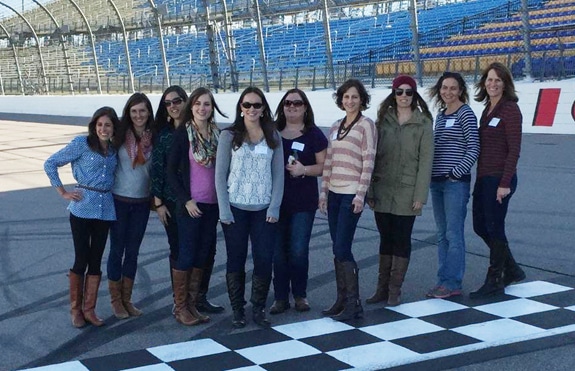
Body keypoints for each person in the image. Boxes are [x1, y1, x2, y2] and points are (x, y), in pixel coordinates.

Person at [44, 107, 120, 327]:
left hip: (105, 208)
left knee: (96, 260)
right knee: (81, 258)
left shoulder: (114, 150)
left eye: (107, 125)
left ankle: (90, 309)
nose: (103, 129)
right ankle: (76, 310)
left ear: (114, 127)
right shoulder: (81, 144)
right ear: (93, 126)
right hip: (82, 207)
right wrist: (63, 192)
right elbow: (50, 163)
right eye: (99, 125)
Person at [215, 86, 284, 328]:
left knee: (264, 259)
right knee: (236, 259)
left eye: (257, 105)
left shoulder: (274, 136)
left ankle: (258, 307)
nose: (252, 109)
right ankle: (237, 309)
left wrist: (274, 207)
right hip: (235, 208)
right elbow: (220, 175)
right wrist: (224, 209)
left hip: (264, 209)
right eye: (247, 105)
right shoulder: (228, 136)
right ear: (240, 108)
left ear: (263, 108)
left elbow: (278, 176)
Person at [366, 75, 434, 307]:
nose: (404, 96)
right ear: (393, 94)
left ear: (414, 95)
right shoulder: (382, 120)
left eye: (408, 92)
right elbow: (372, 157)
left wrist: (420, 196)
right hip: (382, 187)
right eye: (399, 91)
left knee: (402, 240)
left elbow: (425, 161)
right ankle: (381, 289)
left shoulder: (423, 122)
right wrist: (370, 190)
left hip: (407, 190)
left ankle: (395, 290)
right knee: (385, 239)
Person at [167, 87, 227, 325]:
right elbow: (171, 171)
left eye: (207, 104)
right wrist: (186, 200)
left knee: (203, 255)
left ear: (212, 108)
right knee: (187, 254)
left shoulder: (218, 134)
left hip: (213, 205)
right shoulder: (183, 134)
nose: (203, 108)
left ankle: (192, 305)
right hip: (191, 205)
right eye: (198, 104)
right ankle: (180, 307)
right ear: (191, 106)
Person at [319, 79, 377, 321]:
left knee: (343, 246)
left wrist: (360, 195)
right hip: (333, 192)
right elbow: (329, 162)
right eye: (345, 97)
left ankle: (354, 303)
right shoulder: (335, 126)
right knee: (336, 247)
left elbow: (369, 162)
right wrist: (323, 193)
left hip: (351, 193)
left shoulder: (367, 126)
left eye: (354, 97)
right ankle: (342, 299)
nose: (349, 101)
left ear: (361, 99)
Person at [269, 88, 328, 315]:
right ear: (282, 107)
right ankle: (280, 297)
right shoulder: (272, 131)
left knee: (298, 250)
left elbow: (324, 166)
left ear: (305, 107)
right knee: (278, 251)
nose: (292, 106)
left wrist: (304, 170)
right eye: (287, 103)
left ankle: (300, 295)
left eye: (297, 103)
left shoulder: (313, 134)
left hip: (303, 201)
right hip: (275, 200)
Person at [470, 62, 525, 299]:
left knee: (494, 226)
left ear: (506, 84)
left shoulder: (510, 109)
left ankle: (495, 279)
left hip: (500, 178)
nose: (492, 84)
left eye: (498, 80)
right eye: (489, 80)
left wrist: (504, 183)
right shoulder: (487, 109)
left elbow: (514, 150)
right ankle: (511, 268)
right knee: (480, 226)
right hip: (484, 177)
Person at [426, 72, 479, 299]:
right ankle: (443, 280)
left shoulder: (465, 113)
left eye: (453, 88)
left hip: (454, 183)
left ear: (460, 91)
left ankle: (453, 282)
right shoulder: (440, 114)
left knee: (453, 233)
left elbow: (474, 148)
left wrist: (456, 172)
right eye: (444, 88)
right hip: (436, 182)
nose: (448, 92)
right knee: (441, 234)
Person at [107, 92, 154, 319]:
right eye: (134, 111)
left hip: (142, 203)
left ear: (148, 113)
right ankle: (116, 301)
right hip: (119, 201)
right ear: (128, 113)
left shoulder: (154, 137)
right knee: (117, 250)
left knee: (133, 252)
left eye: (142, 111)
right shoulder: (118, 137)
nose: (138, 115)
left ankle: (127, 299)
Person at [151, 85, 188, 311]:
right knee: (177, 248)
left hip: (197, 201)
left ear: (186, 101)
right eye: (168, 103)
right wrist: (158, 203)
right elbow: (157, 169)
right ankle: (179, 302)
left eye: (177, 101)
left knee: (199, 249)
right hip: (171, 203)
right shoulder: (163, 135)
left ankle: (196, 299)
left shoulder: (196, 129)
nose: (173, 106)